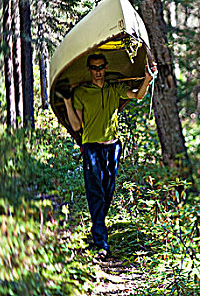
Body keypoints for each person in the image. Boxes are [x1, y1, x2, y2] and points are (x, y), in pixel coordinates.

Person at [63, 53, 156, 260]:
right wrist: (68, 101)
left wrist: (148, 79)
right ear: (88, 69)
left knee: (107, 193)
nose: (98, 72)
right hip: (91, 147)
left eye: (101, 67)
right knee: (95, 192)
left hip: (112, 147)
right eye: (94, 68)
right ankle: (101, 244)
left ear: (105, 68)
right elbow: (77, 125)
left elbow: (138, 96)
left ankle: (98, 228)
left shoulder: (116, 89)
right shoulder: (81, 92)